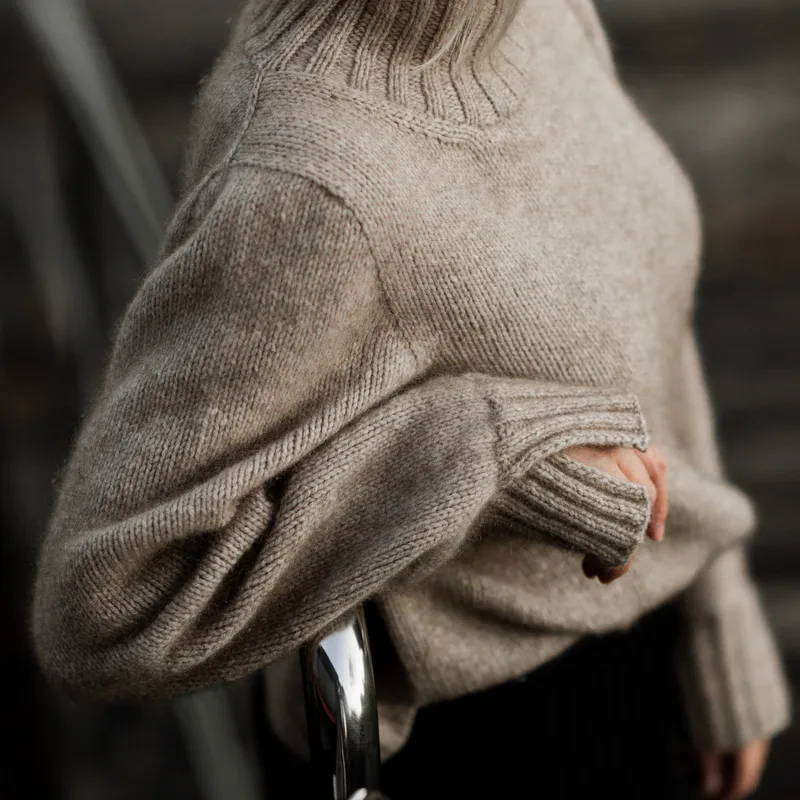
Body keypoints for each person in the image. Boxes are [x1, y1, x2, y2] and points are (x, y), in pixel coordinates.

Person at [31, 0, 790, 798]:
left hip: (646, 661)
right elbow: (104, 611)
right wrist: (486, 452)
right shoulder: (303, 179)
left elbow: (639, 312)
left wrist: (716, 616)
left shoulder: (531, 13)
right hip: (469, 737)